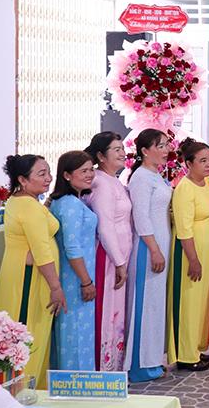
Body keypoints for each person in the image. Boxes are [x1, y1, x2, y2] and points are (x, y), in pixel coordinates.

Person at [0, 155, 61, 387]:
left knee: (24, 337)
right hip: (29, 280)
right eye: (41, 174)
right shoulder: (29, 206)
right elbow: (41, 250)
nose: (48, 178)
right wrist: (56, 287)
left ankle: (25, 390)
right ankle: (24, 391)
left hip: (23, 275)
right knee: (28, 337)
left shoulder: (19, 200)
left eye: (48, 172)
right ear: (22, 180)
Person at [124, 129, 172, 382]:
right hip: (148, 248)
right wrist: (154, 250)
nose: (166, 150)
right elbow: (141, 217)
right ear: (144, 151)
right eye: (160, 146)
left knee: (155, 306)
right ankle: (139, 364)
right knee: (145, 306)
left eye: (166, 145)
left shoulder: (156, 175)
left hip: (160, 244)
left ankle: (152, 360)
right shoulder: (141, 178)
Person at [167, 139, 209, 371]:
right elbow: (184, 228)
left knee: (201, 301)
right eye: (202, 161)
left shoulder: (207, 183)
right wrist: (193, 259)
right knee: (188, 301)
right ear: (188, 164)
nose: (208, 165)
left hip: (207, 249)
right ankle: (185, 355)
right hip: (190, 251)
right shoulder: (184, 189)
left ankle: (197, 346)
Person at [85, 131, 133, 371]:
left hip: (120, 255)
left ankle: (114, 366)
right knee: (107, 313)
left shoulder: (114, 180)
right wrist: (119, 261)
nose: (122, 153)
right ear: (101, 156)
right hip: (108, 257)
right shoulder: (101, 183)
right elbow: (105, 226)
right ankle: (103, 369)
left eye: (122, 148)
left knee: (117, 313)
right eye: (116, 149)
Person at [49, 151, 98, 371]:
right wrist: (86, 282)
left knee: (78, 333)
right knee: (76, 333)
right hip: (74, 279)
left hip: (78, 276)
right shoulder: (69, 204)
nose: (89, 175)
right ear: (67, 175)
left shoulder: (73, 201)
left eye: (91, 170)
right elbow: (72, 247)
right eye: (83, 171)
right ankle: (76, 383)